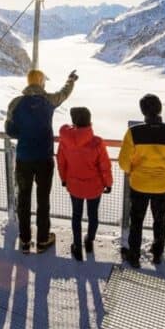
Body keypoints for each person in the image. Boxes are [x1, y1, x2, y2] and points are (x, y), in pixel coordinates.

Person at [5, 68, 78, 254]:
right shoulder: (48, 101)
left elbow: (10, 131)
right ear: (41, 82)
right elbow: (64, 93)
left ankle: (24, 241)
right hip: (44, 159)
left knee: (23, 199)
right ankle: (43, 240)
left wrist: (24, 132)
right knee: (43, 200)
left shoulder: (16, 103)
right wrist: (71, 80)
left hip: (23, 159)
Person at [118, 94, 165, 268]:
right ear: (160, 109)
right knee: (160, 220)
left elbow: (123, 162)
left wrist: (132, 171)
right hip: (161, 185)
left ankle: (133, 255)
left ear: (142, 111)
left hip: (139, 185)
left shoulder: (134, 132)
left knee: (136, 221)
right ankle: (157, 253)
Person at [57, 107, 113, 261]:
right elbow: (104, 165)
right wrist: (108, 183)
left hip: (74, 185)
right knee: (93, 215)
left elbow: (61, 161)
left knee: (76, 215)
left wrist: (63, 178)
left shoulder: (64, 139)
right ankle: (89, 241)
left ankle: (76, 246)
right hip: (94, 186)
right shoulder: (97, 142)